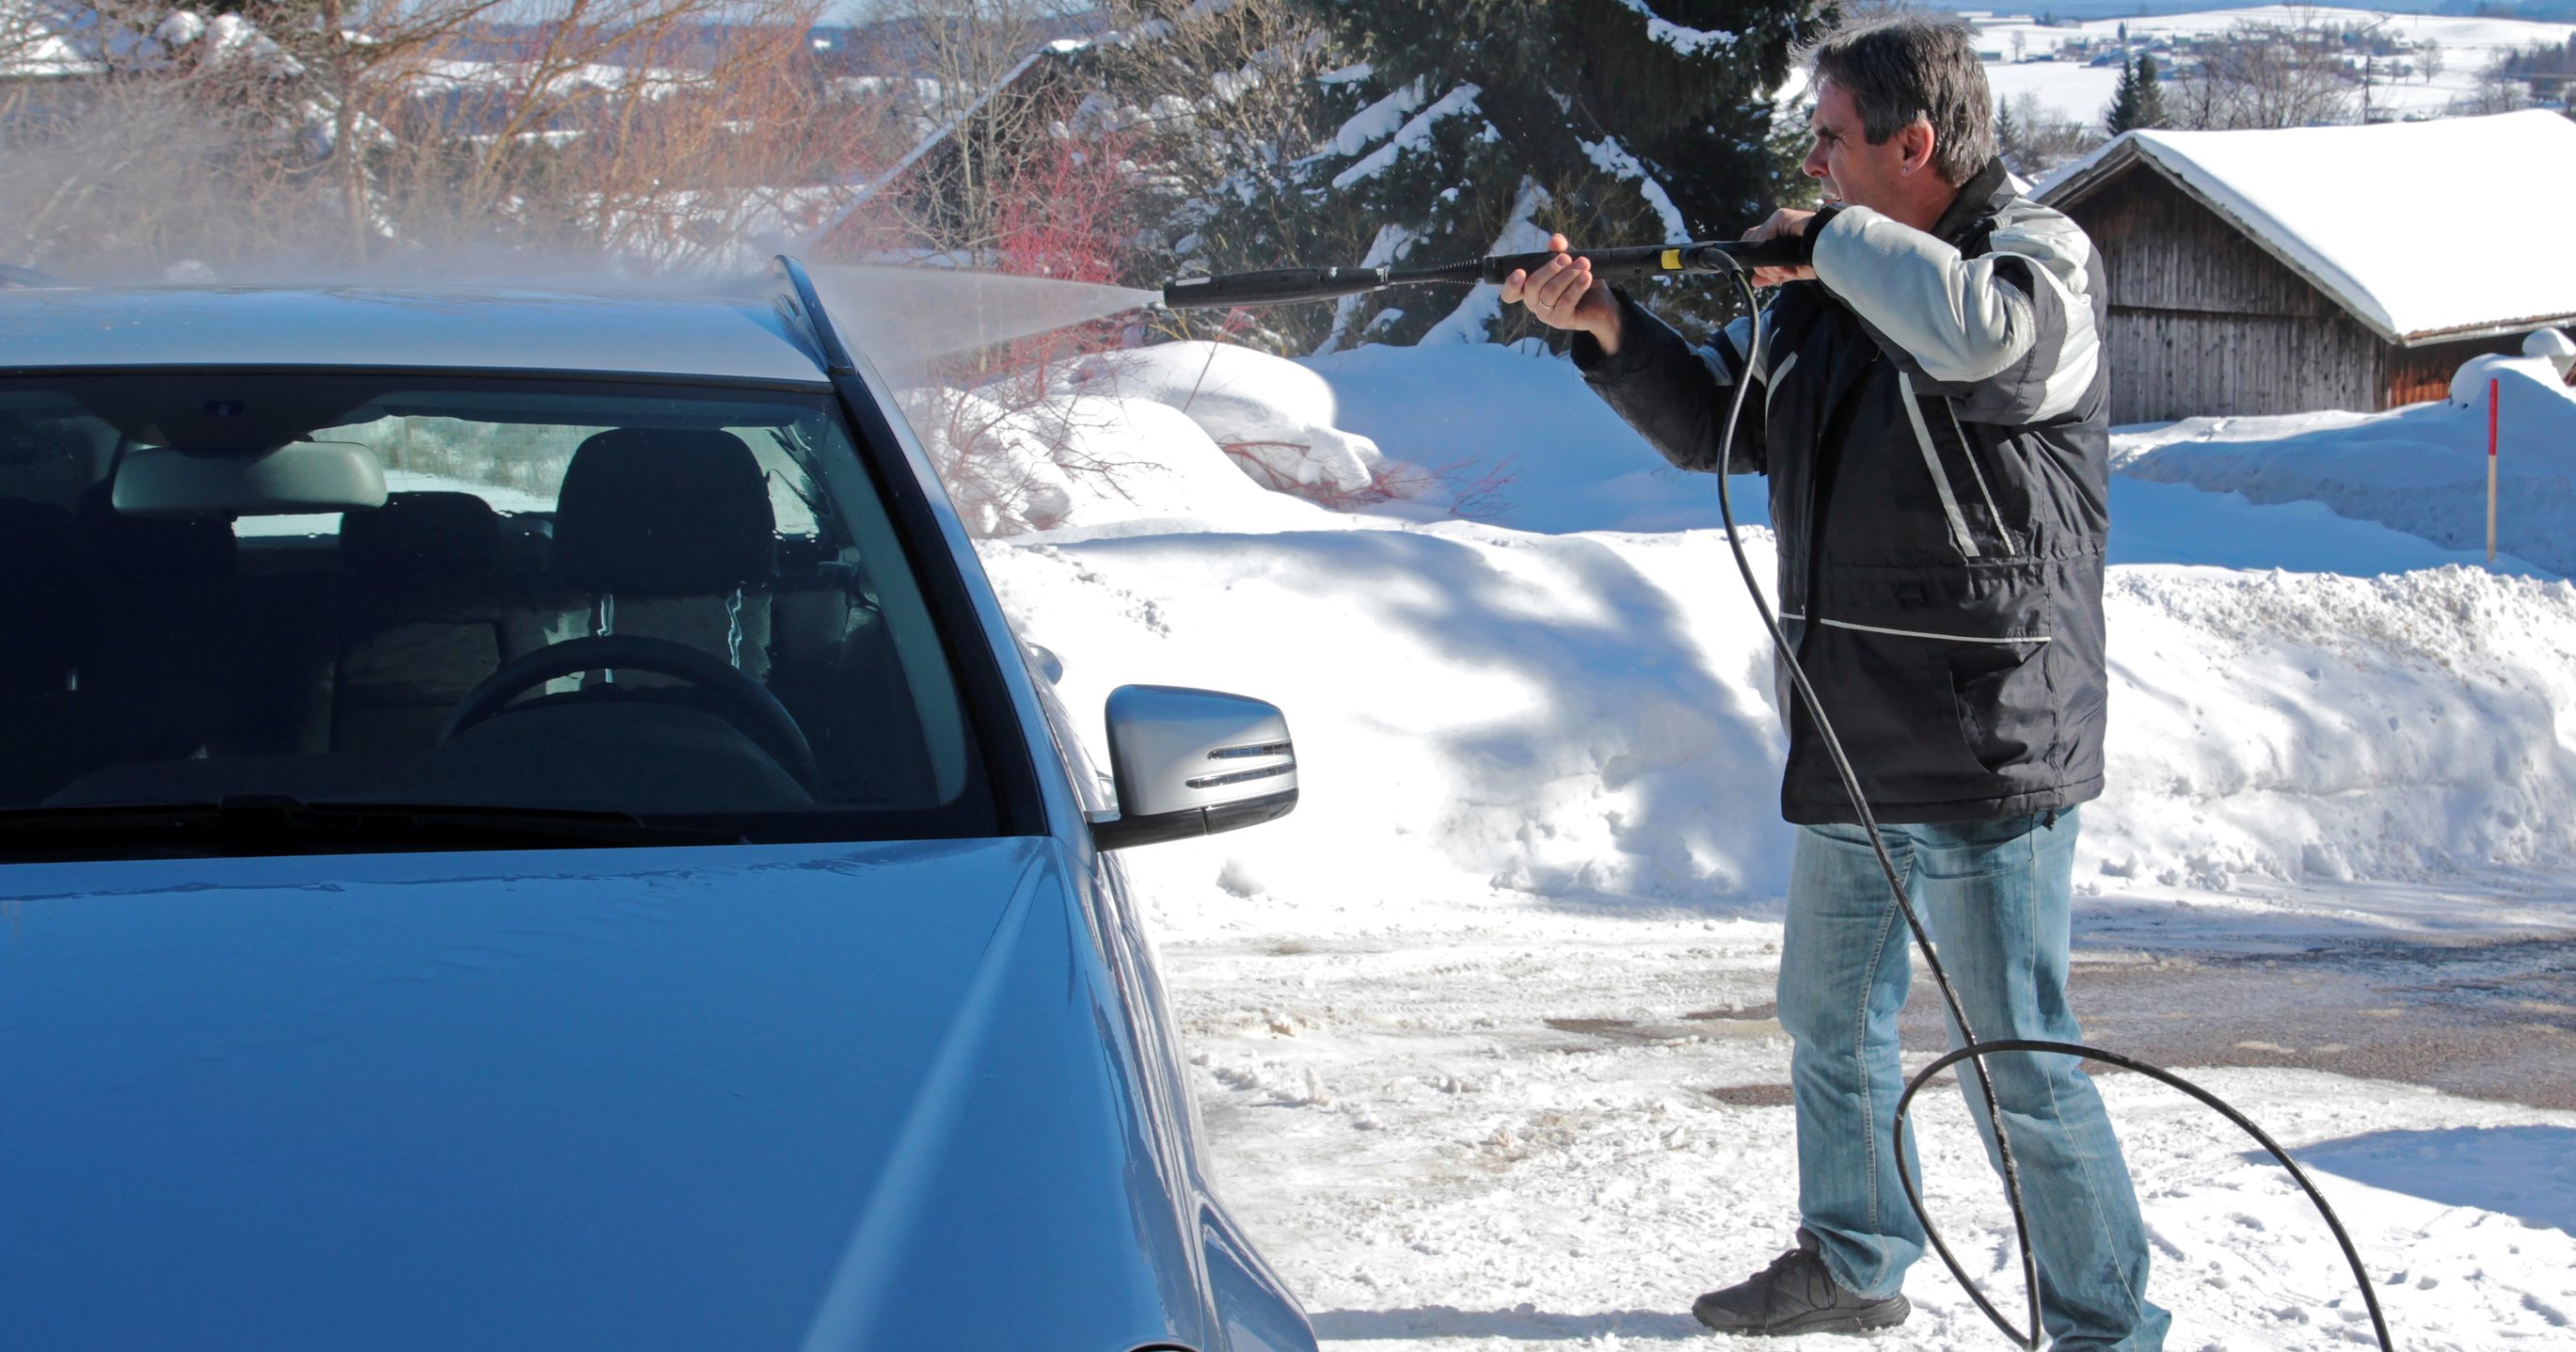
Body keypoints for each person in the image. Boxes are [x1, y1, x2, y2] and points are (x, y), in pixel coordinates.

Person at [1502, 12, 2168, 1349]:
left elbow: (1985, 342)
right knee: (1826, 1014)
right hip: (1852, 723)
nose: (1809, 162)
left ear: (1911, 145)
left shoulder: (2033, 256)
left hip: (1991, 731)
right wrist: (1604, 326)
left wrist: (1830, 249)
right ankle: (1856, 1257)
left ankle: (2101, 1327)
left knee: (2013, 1059)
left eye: (1829, 139)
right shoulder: (1831, 289)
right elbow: (1716, 429)